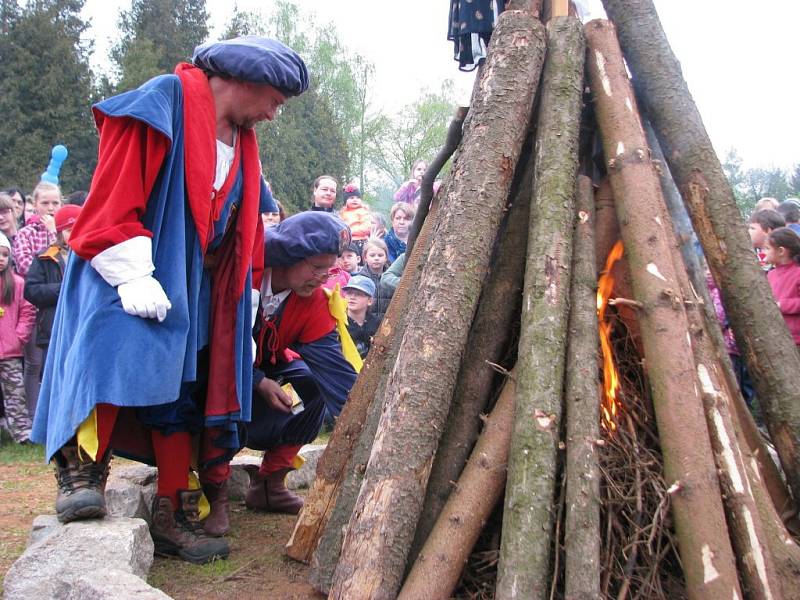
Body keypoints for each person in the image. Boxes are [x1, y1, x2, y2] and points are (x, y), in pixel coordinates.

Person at [30, 36, 309, 564]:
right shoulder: (162, 101)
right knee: (113, 355)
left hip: (195, 288)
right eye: (275, 99)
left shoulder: (243, 142)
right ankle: (81, 470)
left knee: (184, 391)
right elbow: (113, 193)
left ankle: (171, 514)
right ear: (247, 80)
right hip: (124, 269)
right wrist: (133, 274)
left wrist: (237, 304)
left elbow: (241, 228)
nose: (275, 114)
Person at [206, 211, 360, 525]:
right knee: (222, 391)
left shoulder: (315, 303)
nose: (321, 278)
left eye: (327, 270)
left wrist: (362, 424)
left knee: (313, 382)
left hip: (269, 371)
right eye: (316, 267)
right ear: (288, 255)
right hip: (213, 376)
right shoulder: (239, 277)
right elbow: (210, 346)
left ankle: (270, 483)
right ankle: (214, 489)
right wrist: (257, 380)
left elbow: (336, 373)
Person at [12, 181, 62, 417]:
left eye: (55, 202)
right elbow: (24, 265)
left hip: (58, 309)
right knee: (34, 363)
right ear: (35, 205)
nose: (51, 208)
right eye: (45, 203)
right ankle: (33, 415)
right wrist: (52, 233)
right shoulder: (26, 233)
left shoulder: (69, 231)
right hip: (33, 307)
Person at [23, 205, 81, 363]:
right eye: (69, 230)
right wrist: (63, 289)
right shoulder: (45, 257)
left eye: (79, 229)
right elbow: (30, 290)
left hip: (81, 325)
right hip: (53, 326)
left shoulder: (89, 257)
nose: (75, 234)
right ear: (60, 232)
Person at [0, 232, 35, 444]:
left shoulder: (17, 283)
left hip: (9, 351)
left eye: (4, 254)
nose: (1, 259)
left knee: (15, 393)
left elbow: (27, 311)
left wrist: (18, 337)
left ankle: (22, 433)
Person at [765, 227, 800, 347]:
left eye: (768, 248)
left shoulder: (797, 273)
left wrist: (782, 305)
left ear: (781, 251)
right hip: (775, 336)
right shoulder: (771, 274)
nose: (764, 252)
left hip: (795, 339)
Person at [343, 275, 380, 359]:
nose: (352, 297)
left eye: (358, 294)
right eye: (349, 293)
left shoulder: (377, 323)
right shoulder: (338, 322)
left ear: (370, 301)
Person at [338, 183, 373, 249]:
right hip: (346, 242)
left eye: (357, 198)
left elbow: (367, 227)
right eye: (351, 198)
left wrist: (350, 231)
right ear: (346, 201)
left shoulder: (363, 211)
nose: (355, 200)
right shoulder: (342, 213)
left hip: (361, 241)